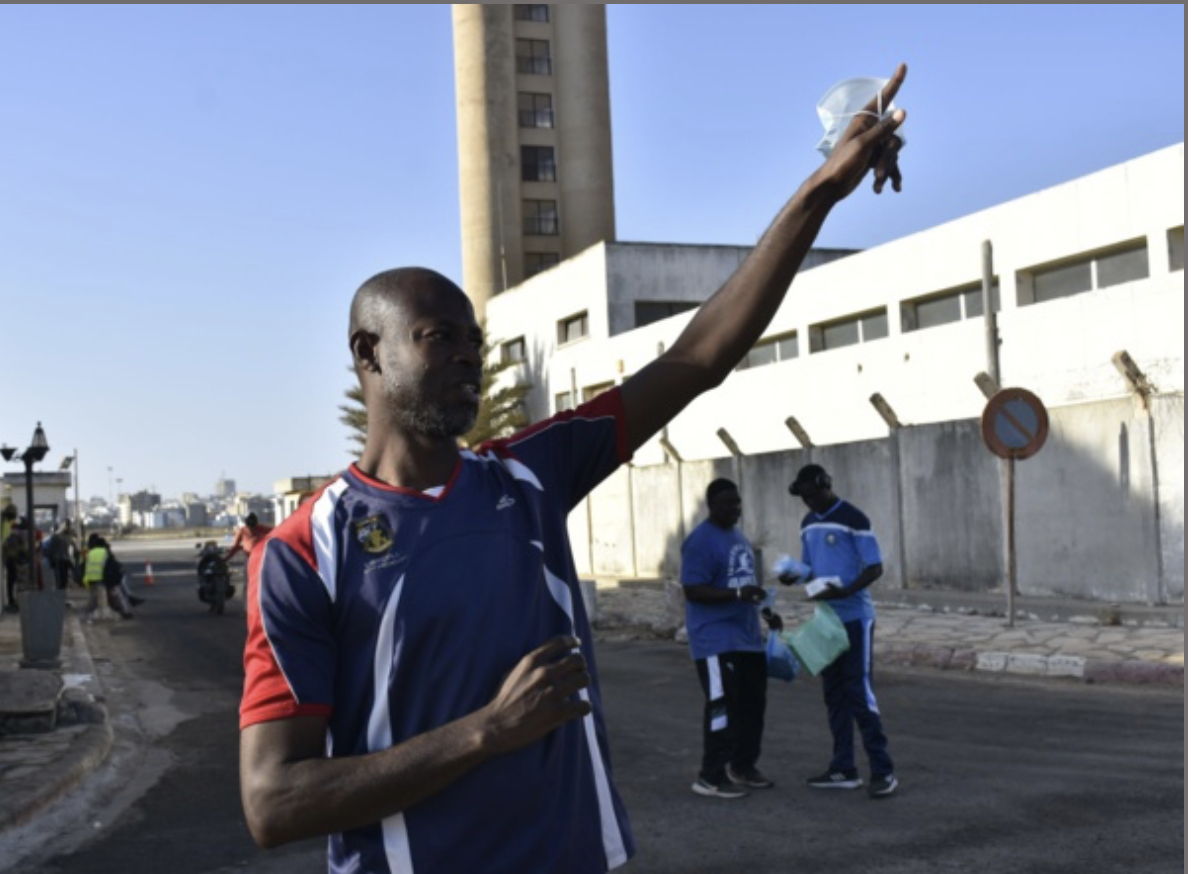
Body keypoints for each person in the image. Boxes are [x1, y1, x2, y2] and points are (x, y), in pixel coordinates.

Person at [238, 65, 908, 871]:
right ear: (367, 353)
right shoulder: (307, 552)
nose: (466, 359)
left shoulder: (525, 476)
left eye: (473, 343)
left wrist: (820, 192)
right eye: (437, 338)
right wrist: (486, 731)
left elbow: (698, 355)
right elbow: (274, 801)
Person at [778, 463, 898, 799]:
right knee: (834, 693)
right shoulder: (806, 524)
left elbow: (874, 567)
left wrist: (846, 591)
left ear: (825, 485)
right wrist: (794, 574)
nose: (809, 502)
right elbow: (811, 569)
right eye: (804, 498)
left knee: (859, 693)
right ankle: (843, 767)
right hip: (826, 617)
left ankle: (883, 770)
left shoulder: (854, 518)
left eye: (813, 495)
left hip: (855, 616)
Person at [681, 478, 783, 799]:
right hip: (715, 640)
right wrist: (738, 593)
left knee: (753, 705)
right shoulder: (699, 541)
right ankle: (710, 776)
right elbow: (693, 589)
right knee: (722, 706)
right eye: (727, 503)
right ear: (711, 505)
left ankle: (742, 766)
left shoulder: (738, 536)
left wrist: (767, 613)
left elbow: (746, 583)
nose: (734, 509)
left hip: (747, 637)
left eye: (737, 502)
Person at [83, 533, 134, 619]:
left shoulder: (90, 553)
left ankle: (87, 614)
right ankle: (123, 612)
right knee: (111, 597)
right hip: (102, 580)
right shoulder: (104, 553)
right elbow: (111, 565)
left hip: (90, 580)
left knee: (93, 600)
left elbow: (85, 566)